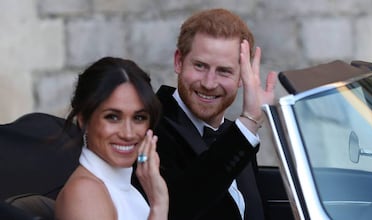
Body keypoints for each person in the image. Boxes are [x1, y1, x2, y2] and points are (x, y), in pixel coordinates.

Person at [132, 8, 277, 220]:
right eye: (200, 66)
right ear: (179, 62)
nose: (209, 83)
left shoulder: (235, 135)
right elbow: (180, 208)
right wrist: (249, 122)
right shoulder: (148, 127)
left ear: (241, 79)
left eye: (224, 71)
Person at [55, 57, 169, 220]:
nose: (128, 134)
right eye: (113, 117)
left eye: (139, 118)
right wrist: (159, 207)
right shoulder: (85, 193)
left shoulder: (125, 187)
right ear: (83, 120)